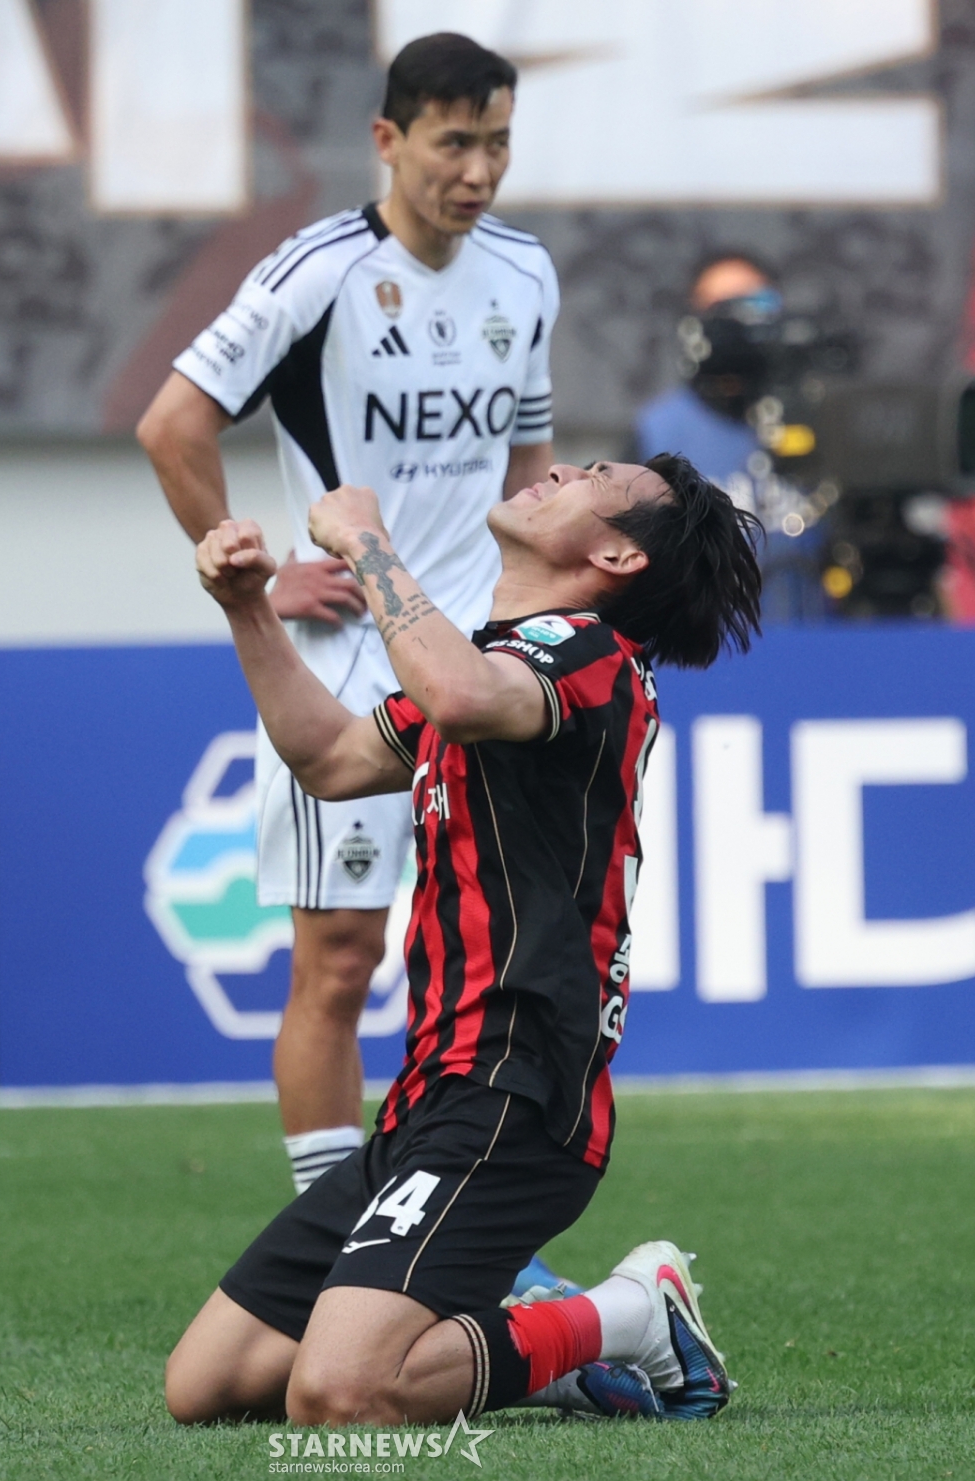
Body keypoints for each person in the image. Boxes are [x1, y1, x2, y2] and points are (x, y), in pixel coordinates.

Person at [164, 451, 762, 1427]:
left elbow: (462, 696)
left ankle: (623, 1315)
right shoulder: (495, 663)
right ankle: (537, 1353)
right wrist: (247, 609)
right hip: (431, 1094)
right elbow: (329, 757)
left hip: (514, 1092)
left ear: (616, 556)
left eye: (594, 475)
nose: (558, 466)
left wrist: (366, 542)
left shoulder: (587, 653)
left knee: (341, 1394)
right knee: (207, 1387)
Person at [138, 32, 559, 1198]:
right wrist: (258, 573)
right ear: (388, 139)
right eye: (454, 142)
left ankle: (469, 1224)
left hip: (478, 662)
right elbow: (172, 425)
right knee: (338, 962)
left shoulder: (525, 274)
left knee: (494, 964)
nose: (478, 170)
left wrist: (540, 617)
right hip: (348, 665)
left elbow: (528, 468)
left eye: (498, 143)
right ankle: (329, 1236)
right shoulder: (316, 273)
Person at [636, 253, 826, 622]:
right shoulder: (659, 431)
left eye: (755, 302)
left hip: (818, 637)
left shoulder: (823, 417)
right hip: (707, 642)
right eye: (722, 308)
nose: (742, 320)